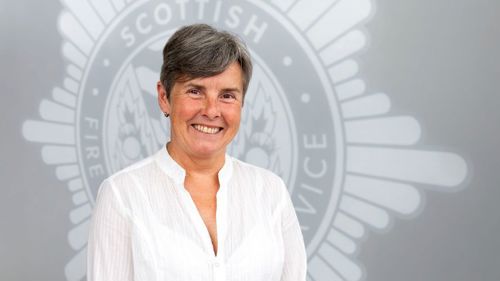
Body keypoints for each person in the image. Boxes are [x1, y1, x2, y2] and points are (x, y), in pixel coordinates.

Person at [87, 23, 307, 281]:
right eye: (195, 91)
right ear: (164, 97)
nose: (212, 111)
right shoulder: (122, 194)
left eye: (227, 96)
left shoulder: (271, 193)